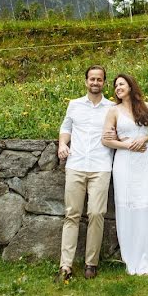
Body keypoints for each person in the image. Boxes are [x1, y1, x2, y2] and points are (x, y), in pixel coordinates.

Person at [56, 65, 115, 281]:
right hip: (76, 165)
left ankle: (92, 263)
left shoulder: (112, 108)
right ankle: (66, 266)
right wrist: (62, 144)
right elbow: (65, 128)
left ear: (104, 83)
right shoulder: (74, 105)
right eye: (92, 79)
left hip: (101, 166)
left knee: (97, 214)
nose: (95, 83)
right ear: (86, 81)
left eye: (99, 79)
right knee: (71, 214)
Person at [102, 73, 148, 275]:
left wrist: (143, 140)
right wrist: (127, 144)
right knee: (128, 206)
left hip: (146, 161)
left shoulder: (145, 106)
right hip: (125, 161)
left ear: (130, 86)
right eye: (115, 85)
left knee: (146, 205)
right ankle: (131, 258)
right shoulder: (113, 111)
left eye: (121, 84)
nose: (118, 88)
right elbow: (106, 140)